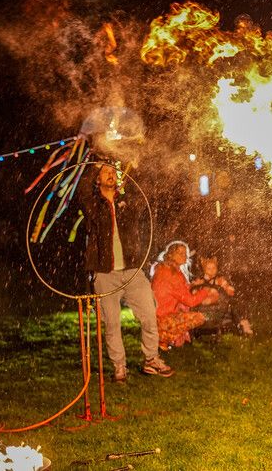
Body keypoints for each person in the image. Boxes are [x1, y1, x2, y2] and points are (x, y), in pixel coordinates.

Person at [80, 163, 173, 381]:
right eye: (105, 172)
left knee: (149, 315)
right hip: (105, 273)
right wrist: (91, 165)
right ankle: (119, 367)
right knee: (112, 323)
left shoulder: (127, 202)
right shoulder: (93, 206)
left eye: (113, 172)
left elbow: (144, 188)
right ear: (97, 180)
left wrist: (137, 166)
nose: (111, 174)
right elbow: (82, 190)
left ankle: (151, 360)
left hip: (132, 270)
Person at [150, 241, 218, 349]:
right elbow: (191, 301)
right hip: (162, 319)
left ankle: (164, 338)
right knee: (199, 317)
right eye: (180, 253)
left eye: (185, 253)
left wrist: (192, 285)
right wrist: (206, 289)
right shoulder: (172, 274)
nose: (184, 255)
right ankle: (164, 337)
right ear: (171, 254)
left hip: (153, 317)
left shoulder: (165, 268)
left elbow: (175, 290)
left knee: (184, 309)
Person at [192, 255, 253, 336]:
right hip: (204, 308)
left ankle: (243, 323)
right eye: (209, 269)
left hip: (219, 307)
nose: (211, 271)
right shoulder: (200, 281)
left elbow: (227, 288)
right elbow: (193, 288)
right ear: (204, 270)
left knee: (235, 305)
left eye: (214, 268)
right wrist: (195, 288)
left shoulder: (219, 280)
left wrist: (229, 289)